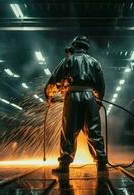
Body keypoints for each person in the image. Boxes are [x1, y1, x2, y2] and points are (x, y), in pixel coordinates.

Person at [44, 35, 107, 173]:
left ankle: (64, 165)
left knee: (69, 131)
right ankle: (101, 163)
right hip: (89, 97)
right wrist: (97, 101)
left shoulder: (68, 60)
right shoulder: (94, 62)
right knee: (93, 130)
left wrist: (48, 94)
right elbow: (101, 85)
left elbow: (55, 78)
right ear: (86, 47)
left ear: (75, 46)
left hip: (72, 97)